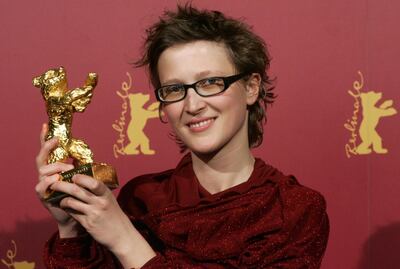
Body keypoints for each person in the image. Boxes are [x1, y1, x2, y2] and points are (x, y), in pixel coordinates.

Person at [35, 4, 329, 269]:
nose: (193, 105)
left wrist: (125, 240)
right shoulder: (142, 199)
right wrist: (71, 227)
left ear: (251, 87)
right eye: (175, 90)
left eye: (210, 83)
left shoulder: (293, 209)